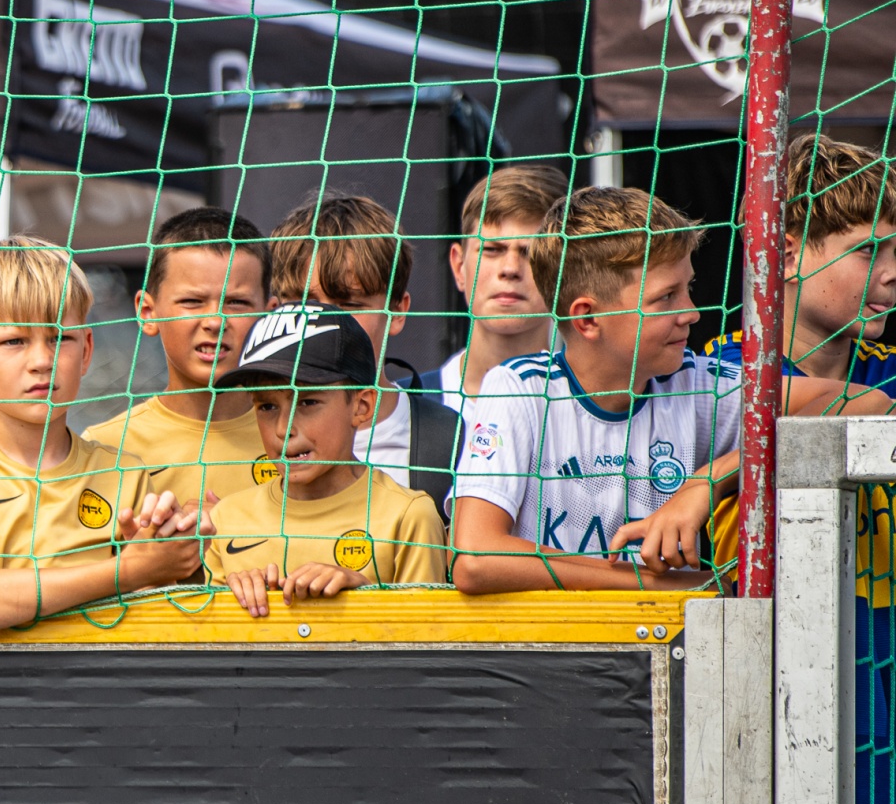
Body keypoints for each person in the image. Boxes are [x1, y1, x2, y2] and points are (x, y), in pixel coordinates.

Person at [700, 133, 896, 804]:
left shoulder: (889, 375)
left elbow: (844, 403)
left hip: (878, 758)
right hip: (746, 750)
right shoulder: (704, 374)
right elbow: (754, 402)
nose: (894, 273)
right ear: (783, 250)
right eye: (870, 249)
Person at [449, 185, 879, 593]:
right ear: (587, 318)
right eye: (666, 297)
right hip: (551, 643)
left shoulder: (693, 385)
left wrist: (710, 480)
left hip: (666, 641)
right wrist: (659, 585)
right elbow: (474, 558)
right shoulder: (518, 389)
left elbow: (868, 400)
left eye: (687, 289)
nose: (692, 313)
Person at [0, 236, 198, 633]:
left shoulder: (123, 473)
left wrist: (175, 557)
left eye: (59, 338)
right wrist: (125, 571)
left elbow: (152, 615)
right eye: (14, 341)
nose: (41, 361)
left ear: (86, 350)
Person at [203, 304, 446, 617]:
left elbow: (426, 638)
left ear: (361, 406)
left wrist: (365, 596)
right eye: (266, 407)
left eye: (308, 402)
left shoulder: (409, 516)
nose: (283, 429)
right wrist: (237, 602)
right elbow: (204, 640)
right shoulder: (227, 519)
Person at [269, 193, 462, 514]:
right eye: (307, 304)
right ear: (276, 310)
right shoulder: (248, 433)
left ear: (397, 311)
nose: (327, 321)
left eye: (349, 304)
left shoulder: (447, 441)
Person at [85, 206, 270, 515]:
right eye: (192, 302)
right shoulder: (104, 448)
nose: (215, 321)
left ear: (269, 314)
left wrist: (233, 525)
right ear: (148, 312)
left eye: (237, 302)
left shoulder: (297, 438)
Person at [410, 164, 566, 415]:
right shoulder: (403, 408)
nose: (510, 268)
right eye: (492, 250)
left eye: (530, 253)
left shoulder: (591, 410)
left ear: (566, 273)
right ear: (459, 266)